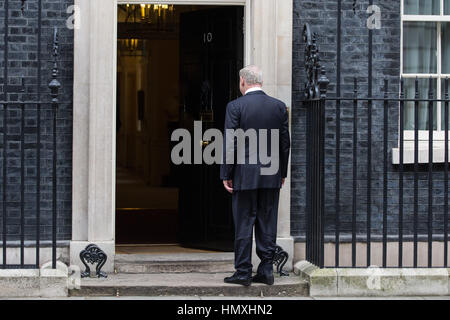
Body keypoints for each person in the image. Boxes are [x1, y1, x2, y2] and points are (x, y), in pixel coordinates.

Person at [220, 65, 291, 286]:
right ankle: (266, 269)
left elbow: (230, 143)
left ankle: (243, 271)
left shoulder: (235, 106)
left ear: (243, 81)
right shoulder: (278, 107)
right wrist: (282, 173)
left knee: (244, 223)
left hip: (244, 175)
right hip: (271, 175)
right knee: (266, 222)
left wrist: (226, 173)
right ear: (260, 81)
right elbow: (285, 144)